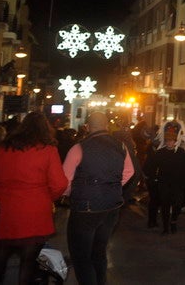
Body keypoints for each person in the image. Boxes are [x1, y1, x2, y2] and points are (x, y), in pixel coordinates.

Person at [0, 111, 68, 285]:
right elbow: (59, 184)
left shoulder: (0, 148)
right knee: (28, 264)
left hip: (4, 212)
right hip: (34, 213)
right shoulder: (48, 150)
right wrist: (47, 197)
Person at [63, 111, 135, 285]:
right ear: (107, 125)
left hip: (85, 207)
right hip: (112, 205)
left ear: (87, 126)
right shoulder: (121, 146)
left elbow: (65, 179)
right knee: (99, 251)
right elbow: (130, 172)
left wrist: (68, 194)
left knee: (81, 256)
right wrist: (112, 185)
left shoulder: (79, 147)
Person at [143, 120, 185, 234]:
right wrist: (153, 178)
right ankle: (165, 227)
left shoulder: (181, 152)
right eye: (168, 140)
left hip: (177, 184)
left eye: (172, 141)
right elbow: (151, 167)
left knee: (177, 205)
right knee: (165, 205)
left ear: (176, 141)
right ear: (165, 141)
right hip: (163, 183)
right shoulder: (160, 153)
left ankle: (173, 221)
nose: (170, 143)